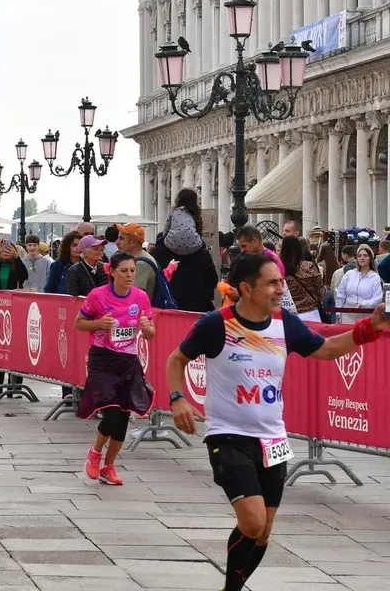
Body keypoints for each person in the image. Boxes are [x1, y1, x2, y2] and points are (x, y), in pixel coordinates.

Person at [166, 252, 389, 591]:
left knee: (265, 530)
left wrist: (368, 330)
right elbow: (176, 359)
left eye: (280, 282)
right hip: (228, 435)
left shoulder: (285, 323)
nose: (279, 289)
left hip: (273, 439)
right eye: (271, 283)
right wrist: (177, 397)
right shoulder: (216, 324)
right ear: (246, 288)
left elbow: (326, 350)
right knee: (253, 522)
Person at [75, 251, 154, 486]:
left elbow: (151, 333)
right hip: (102, 358)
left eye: (132, 271)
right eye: (124, 271)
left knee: (123, 417)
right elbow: (78, 323)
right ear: (112, 272)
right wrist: (99, 323)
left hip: (128, 361)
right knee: (110, 413)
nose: (129, 275)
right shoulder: (98, 296)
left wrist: (147, 327)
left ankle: (109, 466)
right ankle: (95, 452)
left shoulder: (140, 297)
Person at [280, 236, 325, 322]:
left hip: (288, 315)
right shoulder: (308, 266)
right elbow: (321, 293)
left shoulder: (279, 269)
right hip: (311, 313)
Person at [335, 243, 381, 324]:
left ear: (370, 258)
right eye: (359, 256)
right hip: (347, 313)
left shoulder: (375, 277)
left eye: (365, 256)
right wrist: (338, 312)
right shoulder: (349, 274)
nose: (362, 258)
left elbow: (378, 298)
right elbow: (340, 294)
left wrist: (363, 304)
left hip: (366, 313)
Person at [163, 188, 206, 256]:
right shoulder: (195, 213)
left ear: (179, 200)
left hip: (172, 245)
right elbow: (199, 230)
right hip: (194, 245)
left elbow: (165, 231)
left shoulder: (173, 212)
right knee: (204, 244)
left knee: (160, 239)